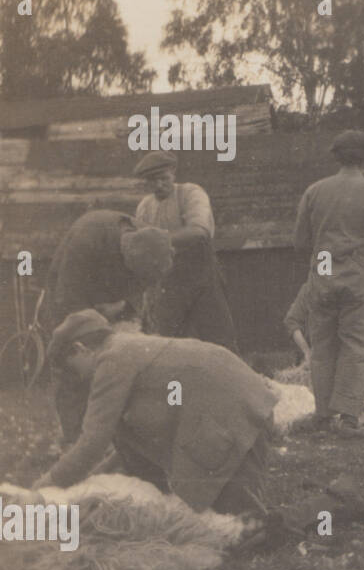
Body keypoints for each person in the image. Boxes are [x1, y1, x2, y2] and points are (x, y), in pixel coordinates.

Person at [32, 310, 277, 521]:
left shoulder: (112, 360)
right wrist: (95, 480)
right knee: (215, 515)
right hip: (238, 401)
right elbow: (124, 446)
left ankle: (301, 516)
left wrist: (45, 486)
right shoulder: (125, 346)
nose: (77, 379)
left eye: (71, 368)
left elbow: (93, 442)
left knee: (241, 525)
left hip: (232, 412)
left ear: (80, 349)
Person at [293, 130, 364, 437]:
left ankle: (323, 415)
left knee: (323, 344)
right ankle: (349, 417)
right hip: (358, 277)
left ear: (336, 157)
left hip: (324, 274)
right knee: (356, 344)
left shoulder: (314, 191)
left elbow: (300, 241)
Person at [45, 210, 174, 446]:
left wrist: (128, 307)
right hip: (73, 299)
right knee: (75, 367)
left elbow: (147, 284)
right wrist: (101, 321)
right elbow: (70, 305)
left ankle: (123, 437)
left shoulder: (148, 238)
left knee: (125, 361)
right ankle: (77, 442)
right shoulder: (85, 242)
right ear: (125, 260)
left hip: (114, 300)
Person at [133, 151, 238, 352]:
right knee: (170, 345)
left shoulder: (191, 193)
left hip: (201, 279)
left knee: (220, 341)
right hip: (168, 283)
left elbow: (199, 232)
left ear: (173, 172)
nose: (159, 185)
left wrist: (156, 239)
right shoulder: (145, 207)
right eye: (152, 181)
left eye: (164, 179)